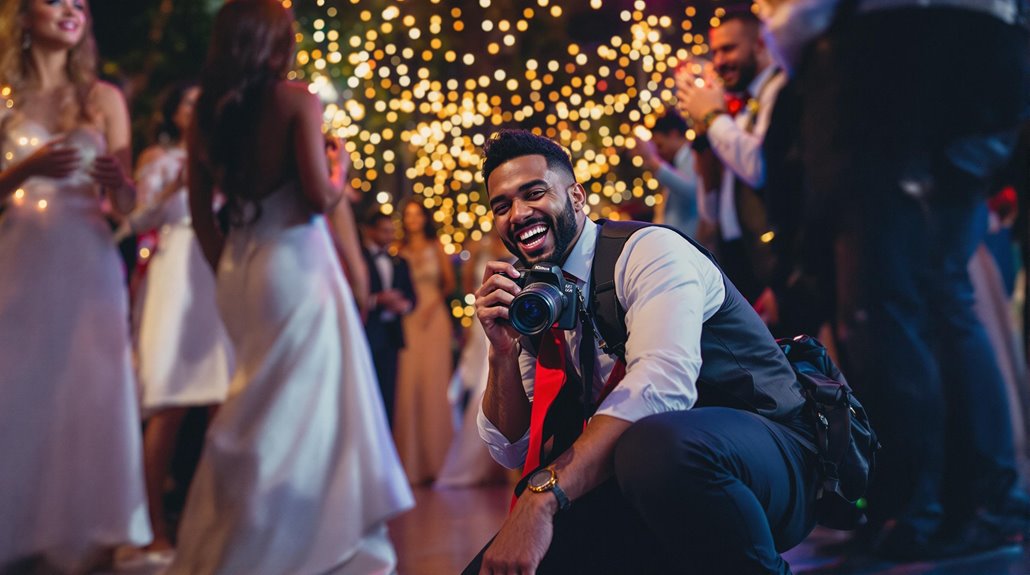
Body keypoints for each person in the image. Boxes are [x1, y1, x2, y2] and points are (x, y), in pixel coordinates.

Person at [466, 129, 819, 574]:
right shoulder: (534, 295)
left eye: (534, 193)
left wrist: (542, 498)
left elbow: (662, 389)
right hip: (644, 474)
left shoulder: (650, 251)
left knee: (652, 448)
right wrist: (500, 352)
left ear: (576, 196)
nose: (518, 214)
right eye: (502, 206)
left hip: (769, 455)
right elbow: (510, 449)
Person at [756, 0, 1030, 559]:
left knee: (885, 315)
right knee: (943, 302)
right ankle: (979, 500)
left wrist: (780, 28)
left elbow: (803, 17)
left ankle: (917, 507)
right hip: (980, 76)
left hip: (889, 83)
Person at [168, 2, 412, 573]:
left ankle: (241, 535)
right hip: (294, 263)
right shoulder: (297, 99)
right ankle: (300, 538)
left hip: (240, 266)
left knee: (253, 401)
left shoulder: (205, 114)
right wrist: (340, 169)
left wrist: (230, 269)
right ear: (275, 40)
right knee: (298, 407)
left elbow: (201, 216)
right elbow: (318, 198)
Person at [0, 0, 151, 571]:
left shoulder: (103, 99)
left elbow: (127, 205)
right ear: (22, 15)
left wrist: (119, 183)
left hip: (88, 260)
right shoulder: (5, 100)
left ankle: (90, 533)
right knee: (21, 386)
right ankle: (20, 528)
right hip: (22, 257)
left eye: (79, 3)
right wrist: (26, 171)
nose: (71, 9)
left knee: (91, 388)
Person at [118, 81, 234, 560]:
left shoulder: (223, 160)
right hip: (173, 273)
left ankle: (213, 523)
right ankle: (150, 526)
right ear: (174, 113)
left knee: (223, 405)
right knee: (169, 403)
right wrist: (175, 186)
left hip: (216, 271)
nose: (197, 108)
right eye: (188, 101)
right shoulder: (157, 158)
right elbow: (134, 220)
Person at [676, 8, 785, 304]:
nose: (720, 61)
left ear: (760, 44)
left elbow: (758, 167)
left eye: (729, 49)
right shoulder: (742, 107)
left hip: (772, 252)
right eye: (715, 52)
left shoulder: (780, 90)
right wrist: (704, 139)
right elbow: (711, 208)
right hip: (736, 249)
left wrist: (713, 116)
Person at [393, 200, 457, 483]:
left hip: (434, 320)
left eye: (417, 214)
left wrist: (432, 306)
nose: (413, 219)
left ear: (424, 218)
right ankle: (410, 463)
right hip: (408, 320)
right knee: (408, 386)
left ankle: (436, 462)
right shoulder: (399, 250)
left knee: (434, 386)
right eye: (408, 215)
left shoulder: (436, 246)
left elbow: (449, 283)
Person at [361, 210, 416, 428]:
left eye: (392, 231)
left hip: (391, 336)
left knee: (388, 394)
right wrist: (377, 300)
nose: (390, 236)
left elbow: (412, 297)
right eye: (385, 231)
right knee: (364, 392)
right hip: (365, 333)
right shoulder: (359, 258)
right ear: (370, 231)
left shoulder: (399, 262)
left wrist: (404, 305)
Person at [633, 111, 702, 238]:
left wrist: (652, 160)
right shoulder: (674, 162)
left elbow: (692, 192)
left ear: (673, 134)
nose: (659, 152)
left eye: (660, 145)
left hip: (689, 240)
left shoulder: (693, 156)